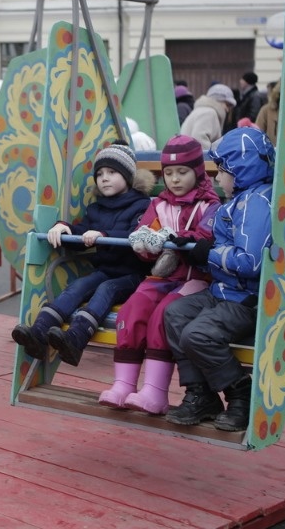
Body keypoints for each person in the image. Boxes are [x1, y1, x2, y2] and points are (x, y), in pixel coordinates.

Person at [99, 135, 221, 415]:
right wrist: (144, 244)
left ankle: (155, 391)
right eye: (168, 173)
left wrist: (179, 237)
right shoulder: (159, 204)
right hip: (162, 277)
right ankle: (124, 384)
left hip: (195, 280)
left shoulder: (209, 205)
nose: (175, 180)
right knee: (133, 309)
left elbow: (206, 235)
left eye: (182, 172)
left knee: (163, 316)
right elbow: (145, 233)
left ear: (197, 172)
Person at [164, 127, 275, 430]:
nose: (218, 179)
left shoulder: (256, 203)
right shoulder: (240, 199)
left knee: (197, 334)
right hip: (223, 290)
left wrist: (209, 253)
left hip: (244, 298)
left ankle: (240, 393)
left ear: (241, 169)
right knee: (174, 313)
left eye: (223, 172)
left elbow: (251, 261)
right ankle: (201, 395)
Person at [11, 142, 153, 365]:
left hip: (133, 274)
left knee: (106, 289)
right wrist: (63, 227)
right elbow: (83, 231)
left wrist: (103, 234)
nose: (104, 178)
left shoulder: (142, 205)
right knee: (79, 286)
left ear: (128, 176)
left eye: (112, 172)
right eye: (99, 174)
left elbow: (136, 235)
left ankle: (77, 338)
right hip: (105, 270)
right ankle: (39, 332)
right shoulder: (96, 208)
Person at [179, 83, 236, 150]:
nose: (227, 109)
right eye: (227, 104)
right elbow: (199, 139)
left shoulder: (202, 110)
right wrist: (213, 157)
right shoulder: (209, 113)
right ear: (218, 101)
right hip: (195, 158)